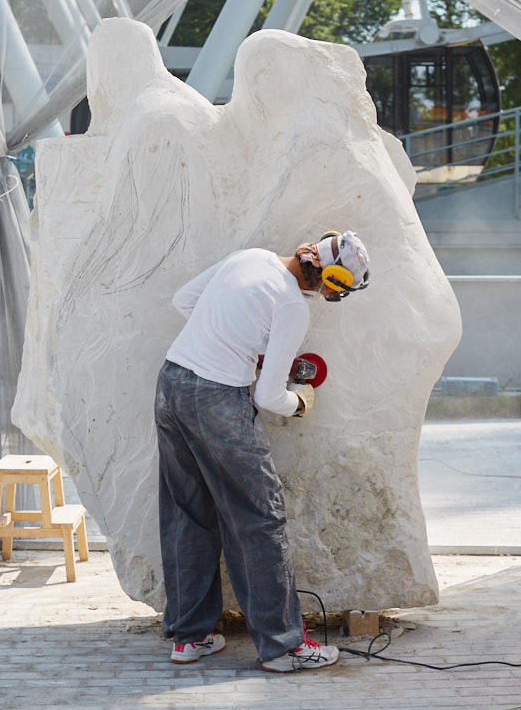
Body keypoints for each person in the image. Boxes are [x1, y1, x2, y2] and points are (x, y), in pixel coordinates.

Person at [154, 230, 369, 672]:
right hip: (217, 399)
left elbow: (183, 300)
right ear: (330, 279)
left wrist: (241, 345)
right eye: (336, 290)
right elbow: (270, 398)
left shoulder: (249, 257)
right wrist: (300, 402)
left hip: (172, 383)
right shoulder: (292, 306)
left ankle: (190, 637)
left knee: (187, 513)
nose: (330, 297)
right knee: (259, 518)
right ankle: (283, 647)